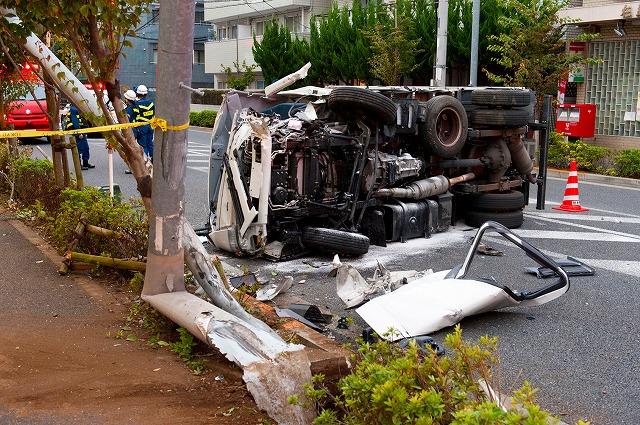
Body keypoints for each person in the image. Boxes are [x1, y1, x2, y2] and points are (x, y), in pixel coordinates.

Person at [66, 104, 94, 170]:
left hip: (80, 131)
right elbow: (75, 121)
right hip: (78, 133)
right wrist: (79, 133)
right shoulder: (74, 109)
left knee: (84, 148)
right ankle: (81, 164)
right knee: (82, 148)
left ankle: (84, 163)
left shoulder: (75, 108)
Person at [134, 84, 155, 162]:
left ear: (137, 93)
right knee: (150, 143)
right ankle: (153, 159)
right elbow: (153, 114)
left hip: (142, 126)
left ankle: (145, 162)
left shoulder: (136, 104)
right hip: (151, 126)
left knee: (143, 145)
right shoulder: (151, 103)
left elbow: (136, 117)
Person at [123, 89, 139, 174]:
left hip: (130, 130)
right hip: (136, 129)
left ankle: (132, 168)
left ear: (127, 99)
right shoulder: (136, 106)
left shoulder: (128, 109)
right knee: (134, 147)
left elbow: (126, 120)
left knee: (129, 149)